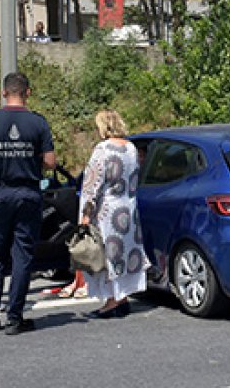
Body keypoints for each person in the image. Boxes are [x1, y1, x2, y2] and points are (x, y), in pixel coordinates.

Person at [0, 72, 56, 335]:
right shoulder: (38, 123)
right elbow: (50, 163)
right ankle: (15, 318)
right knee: (22, 256)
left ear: (4, 92)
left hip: (0, 194)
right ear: (27, 93)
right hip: (28, 194)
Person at [79, 109, 146, 319]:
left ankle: (112, 302)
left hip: (107, 210)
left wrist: (86, 215)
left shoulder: (103, 149)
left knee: (107, 255)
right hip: (129, 207)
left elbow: (93, 184)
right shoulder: (131, 149)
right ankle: (122, 298)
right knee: (123, 254)